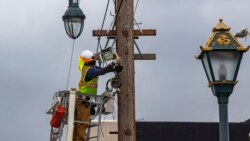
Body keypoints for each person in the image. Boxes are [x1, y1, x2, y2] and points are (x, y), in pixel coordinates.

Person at [73, 50, 122, 141]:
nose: (95, 60)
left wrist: (114, 68)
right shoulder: (89, 70)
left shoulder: (91, 67)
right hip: (83, 101)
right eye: (93, 59)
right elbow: (101, 72)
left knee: (83, 123)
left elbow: (102, 70)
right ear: (89, 61)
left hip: (86, 101)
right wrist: (113, 63)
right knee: (82, 124)